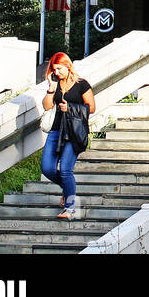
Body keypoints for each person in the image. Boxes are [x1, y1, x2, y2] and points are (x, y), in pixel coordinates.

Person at [41, 52, 96, 220]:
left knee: (65, 170)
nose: (57, 72)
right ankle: (68, 189)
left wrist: (70, 108)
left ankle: (70, 207)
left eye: (59, 69)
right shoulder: (56, 84)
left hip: (74, 132)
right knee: (47, 168)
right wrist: (51, 88)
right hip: (56, 130)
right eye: (54, 69)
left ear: (68, 66)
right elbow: (47, 106)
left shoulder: (82, 84)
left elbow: (91, 107)